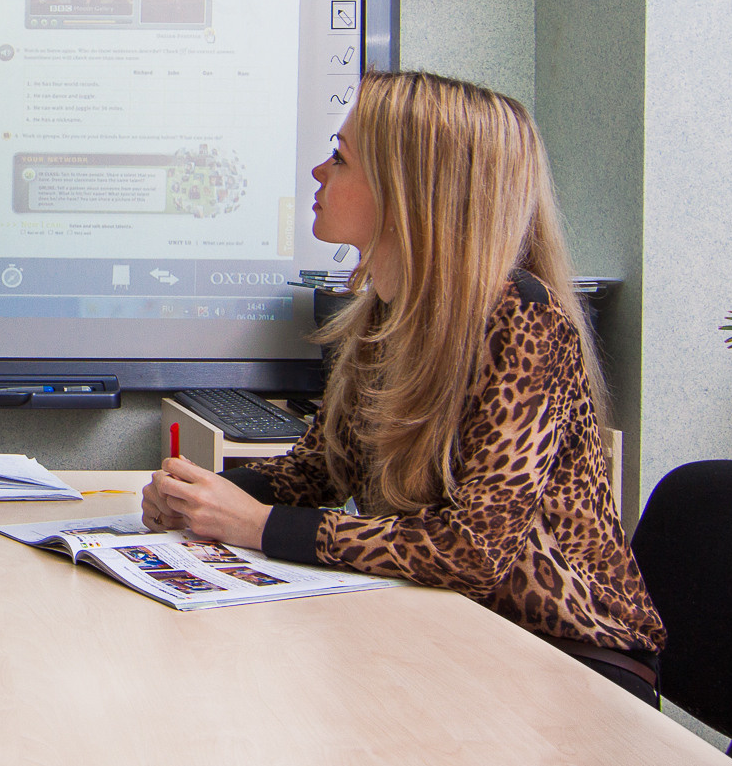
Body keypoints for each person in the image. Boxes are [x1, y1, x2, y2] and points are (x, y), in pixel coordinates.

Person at [141, 70, 665, 703]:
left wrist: (256, 525)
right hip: (449, 626)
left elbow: (475, 552)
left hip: (570, 657)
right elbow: (321, 473)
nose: (317, 174)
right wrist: (204, 497)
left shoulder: (524, 318)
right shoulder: (385, 312)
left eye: (339, 158)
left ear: (410, 190)